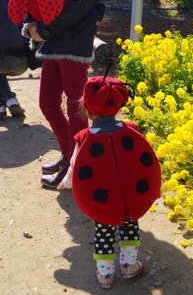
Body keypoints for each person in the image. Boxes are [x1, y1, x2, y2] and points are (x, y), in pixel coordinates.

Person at [57, 74, 162, 289]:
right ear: (120, 105)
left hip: (103, 201)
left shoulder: (84, 138)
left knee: (103, 234)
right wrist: (154, 187)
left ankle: (105, 275)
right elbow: (144, 162)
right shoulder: (132, 129)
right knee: (130, 228)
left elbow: (75, 166)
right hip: (131, 197)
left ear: (86, 109)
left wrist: (67, 183)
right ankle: (129, 266)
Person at [23, 0, 108, 187]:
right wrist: (30, 25)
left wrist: (45, 31)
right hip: (53, 41)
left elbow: (80, 8)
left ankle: (78, 166)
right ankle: (68, 155)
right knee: (47, 103)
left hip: (74, 41)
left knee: (75, 105)